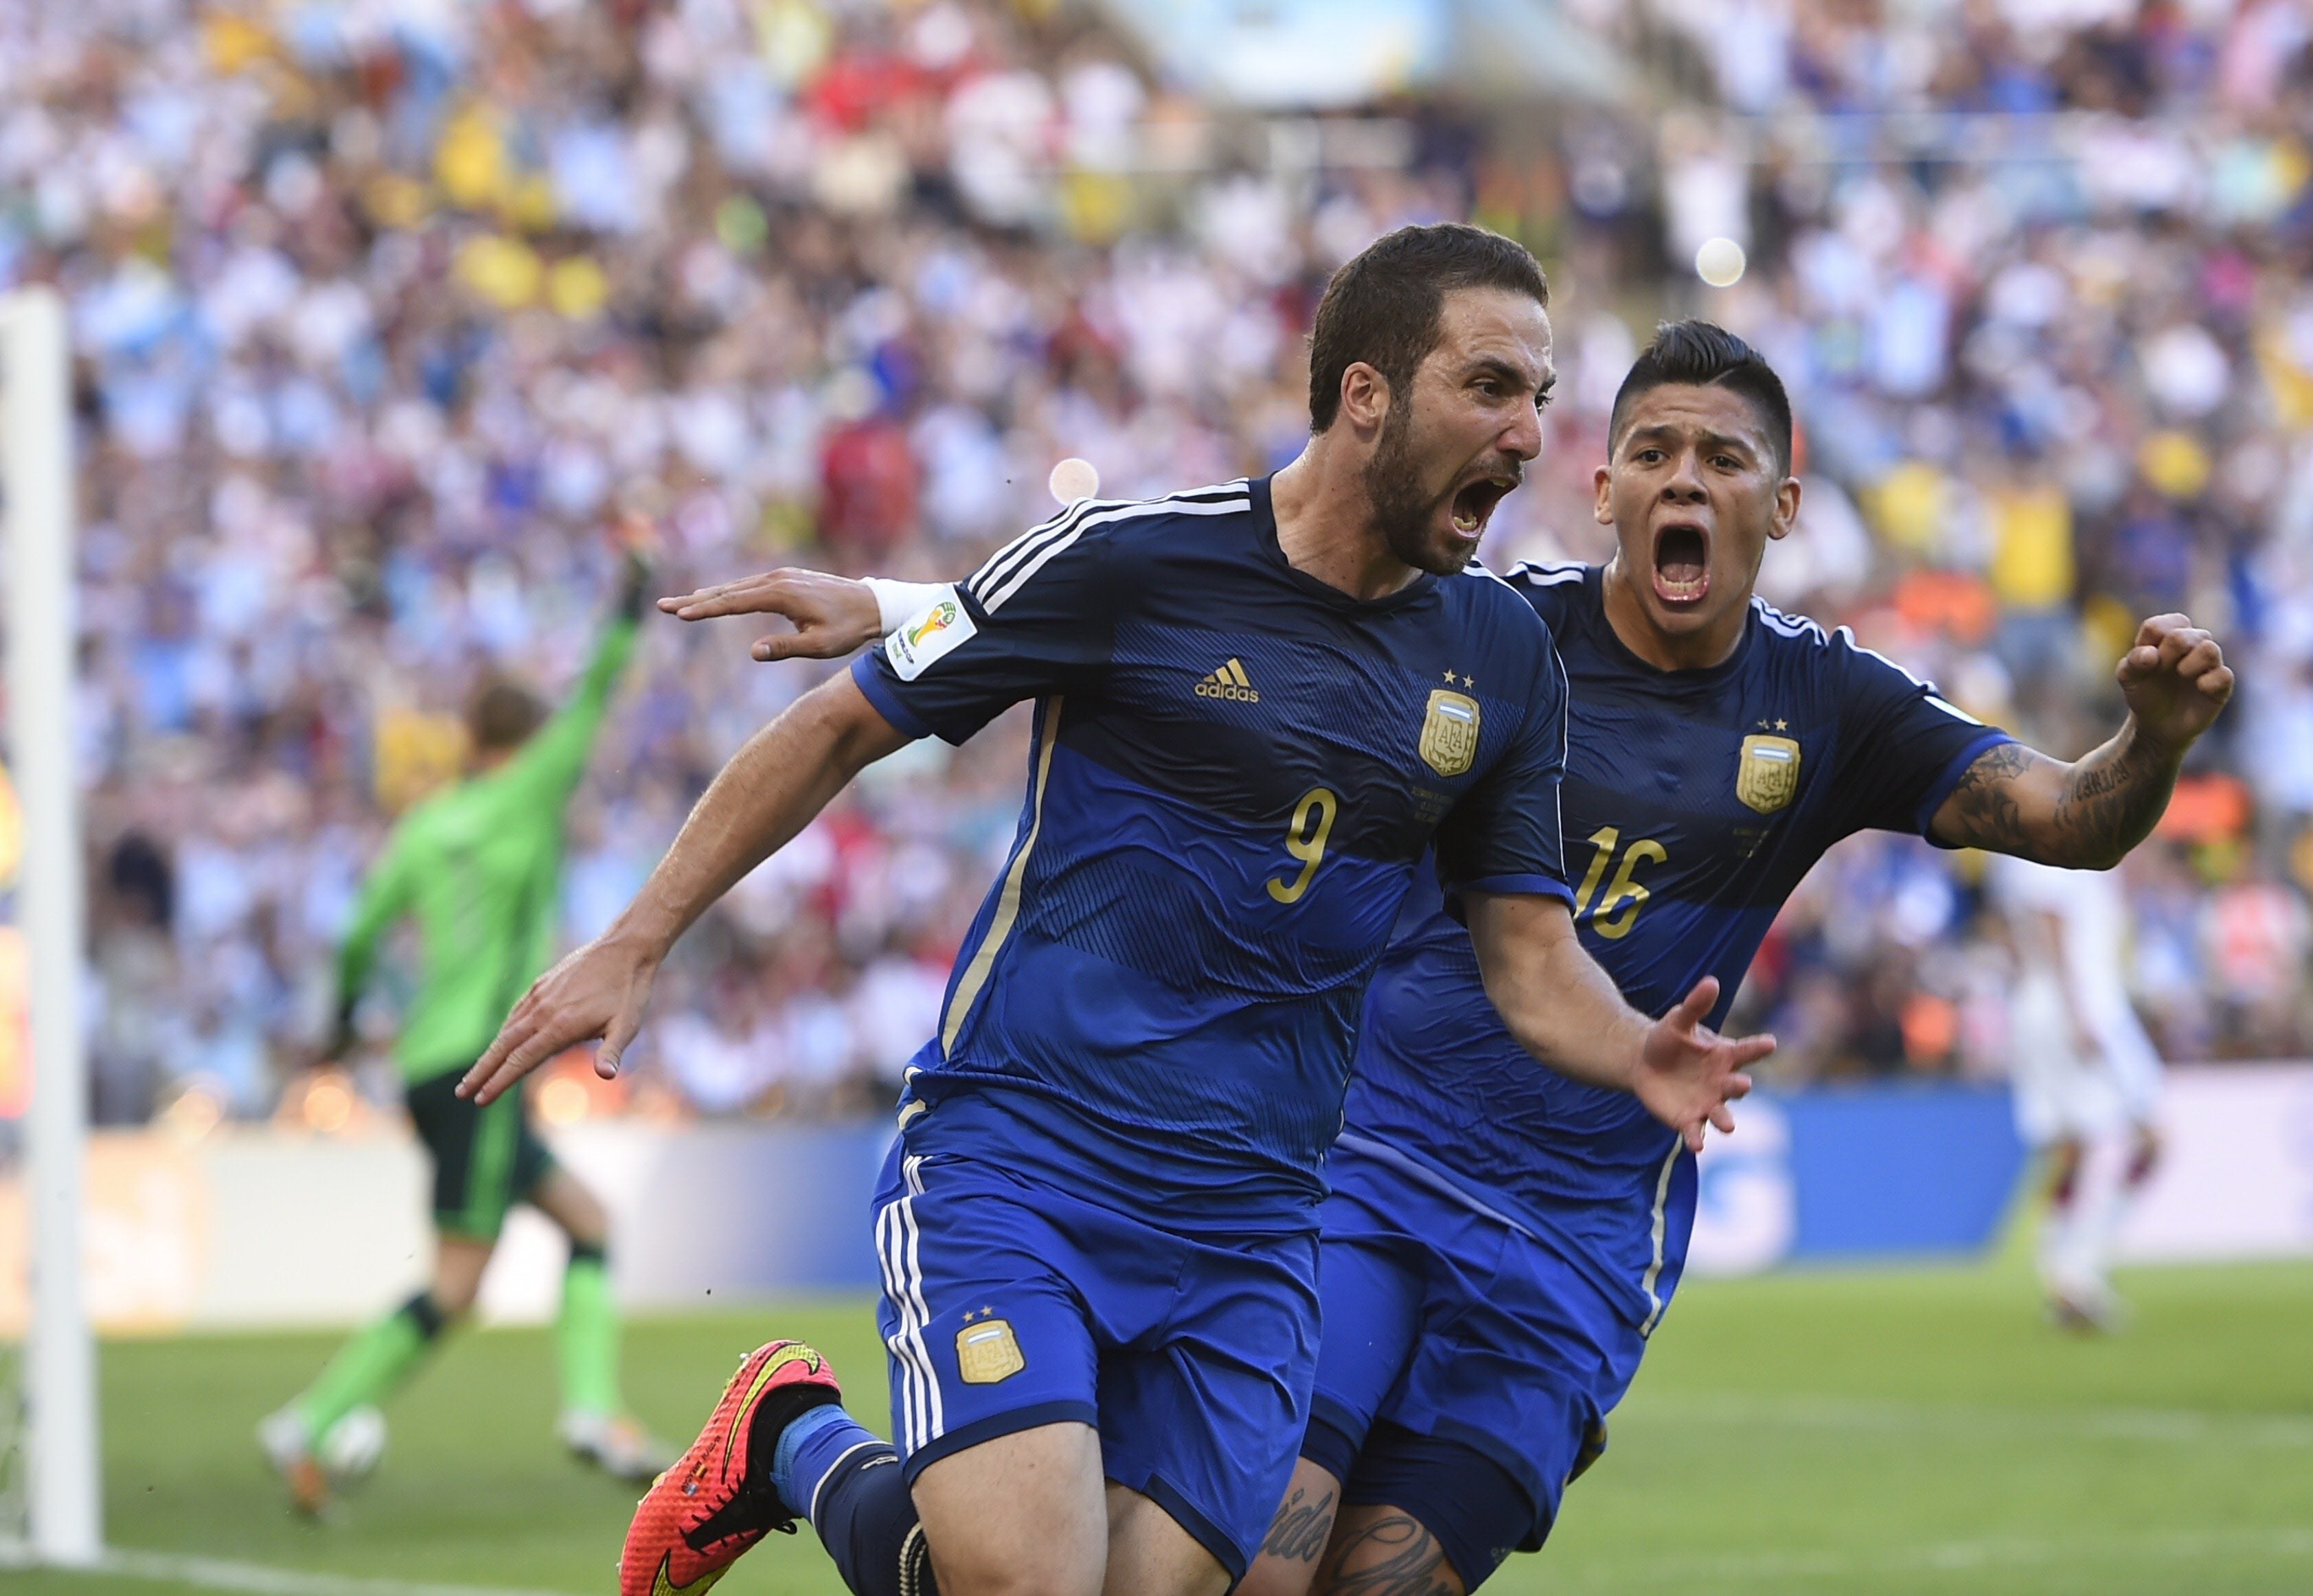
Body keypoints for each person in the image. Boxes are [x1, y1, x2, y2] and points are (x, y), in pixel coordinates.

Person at [672, 319, 2233, 1594]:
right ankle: (804, 1447)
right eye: (1653, 454)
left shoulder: (1834, 707)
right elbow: (1185, 621)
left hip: (1567, 1254)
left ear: (1783, 507)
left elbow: (2071, 817)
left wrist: (2148, 743)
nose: (1686, 482)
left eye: (1726, 460)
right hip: (1368, 1172)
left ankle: (793, 1446)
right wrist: (897, 607)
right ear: (1606, 487)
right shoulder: (1487, 637)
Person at [455, 227, 1766, 1596]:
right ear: (1366, 394)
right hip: (1026, 1163)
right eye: (1490, 387)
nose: (1527, 433)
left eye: (1539, 399)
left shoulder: (1500, 655)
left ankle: (789, 1438)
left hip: (1257, 1223)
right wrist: (639, 933)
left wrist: (1634, 1052)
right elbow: (844, 725)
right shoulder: (1135, 561)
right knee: (1031, 1583)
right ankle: (798, 1442)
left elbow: (1528, 952)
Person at [258, 552, 667, 1514]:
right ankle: (309, 1425)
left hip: (429, 1061)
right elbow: (592, 705)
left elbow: (359, 933)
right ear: (519, 750)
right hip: (486, 1061)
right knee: (457, 1285)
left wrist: (346, 1022)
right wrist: (623, 603)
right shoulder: (526, 795)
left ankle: (594, 1409)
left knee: (588, 1224)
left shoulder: (425, 825)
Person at [1988, 851, 2165, 1330]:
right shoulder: (2052, 840)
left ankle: (2064, 1269)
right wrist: (2075, 1009)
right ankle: (2077, 1270)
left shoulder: (2027, 845)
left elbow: (2018, 932)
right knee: (2148, 1139)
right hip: (2081, 1007)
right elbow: (2051, 923)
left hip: (2054, 1002)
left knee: (2075, 1147)